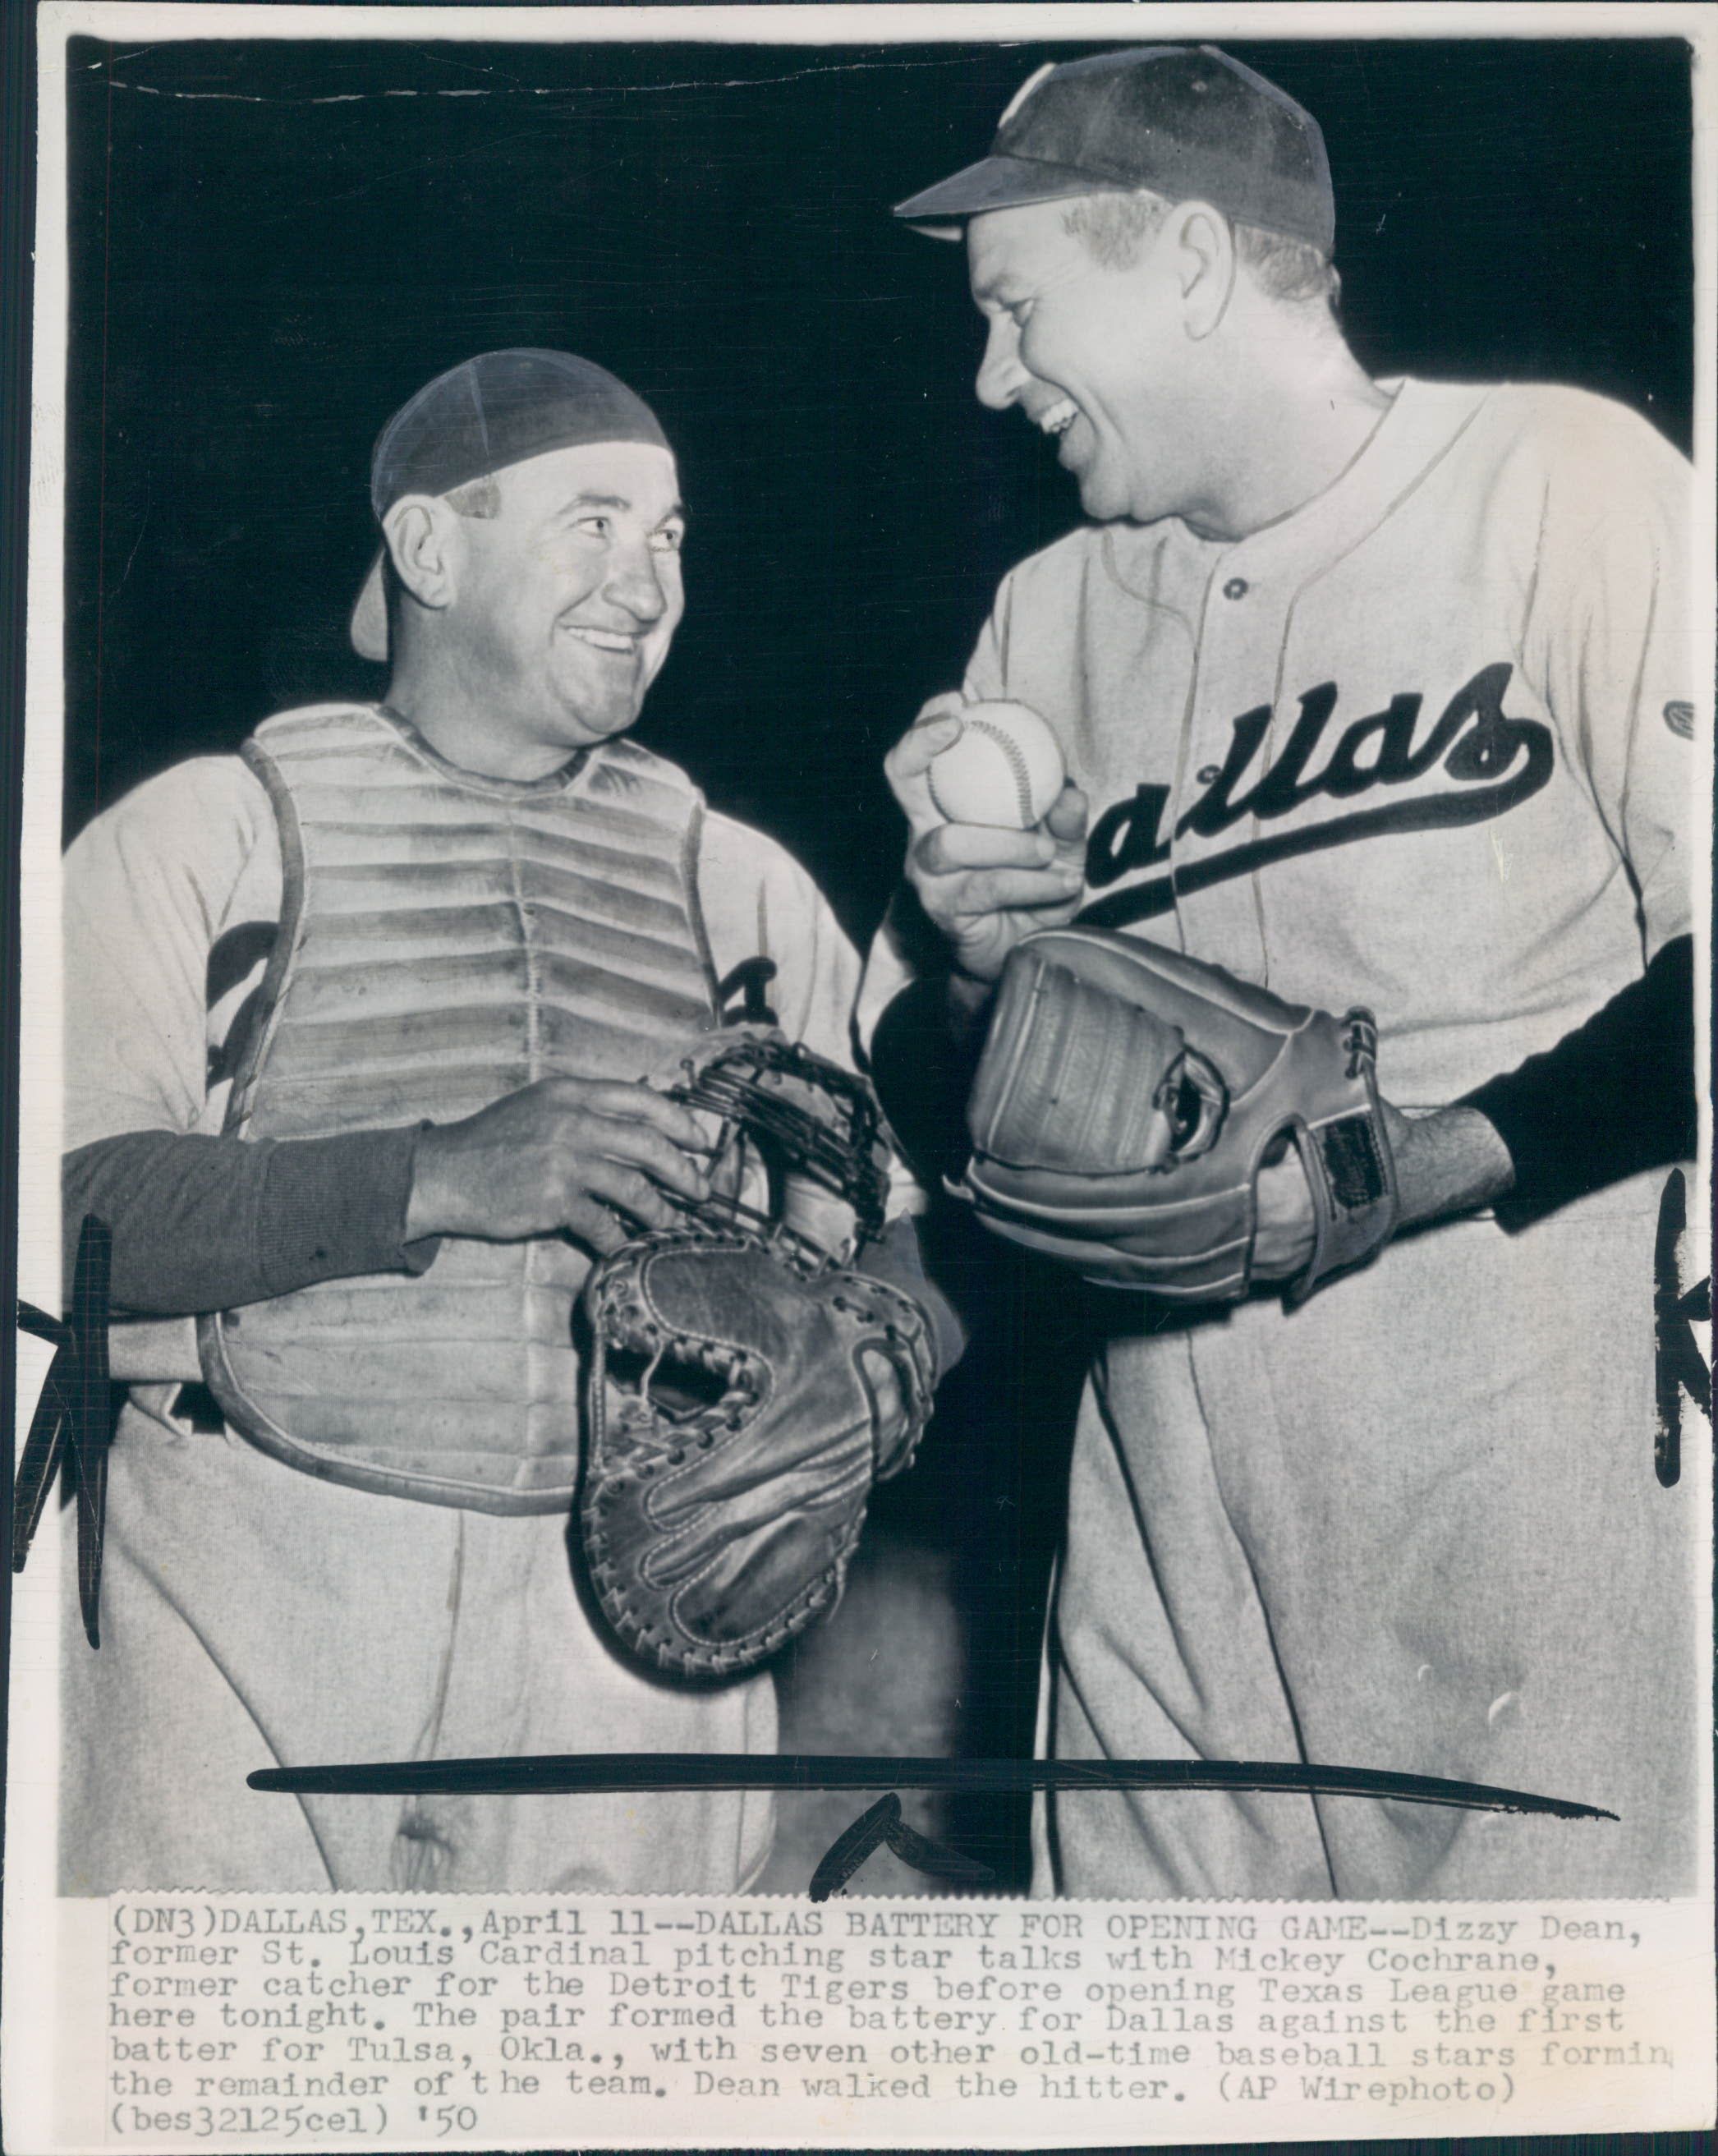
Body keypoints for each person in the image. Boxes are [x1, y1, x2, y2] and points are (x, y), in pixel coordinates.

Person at [861, 47, 1701, 1900]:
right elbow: (935, 1101)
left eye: (1016, 309)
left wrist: (1407, 1162)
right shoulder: (1045, 616)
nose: (993, 378)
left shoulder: (1559, 484)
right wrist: (974, 974)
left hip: (1543, 1510)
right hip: (1167, 1556)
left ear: (1180, 255)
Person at [60, 348, 955, 1896]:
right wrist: (445, 1173)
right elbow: (58, 1206)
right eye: (596, 523)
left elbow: (913, 1263)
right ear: (428, 549)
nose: (651, 582)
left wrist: (868, 1380)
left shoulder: (738, 886)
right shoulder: (209, 835)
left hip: (635, 1620)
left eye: (673, 536)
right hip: (250, 1574)